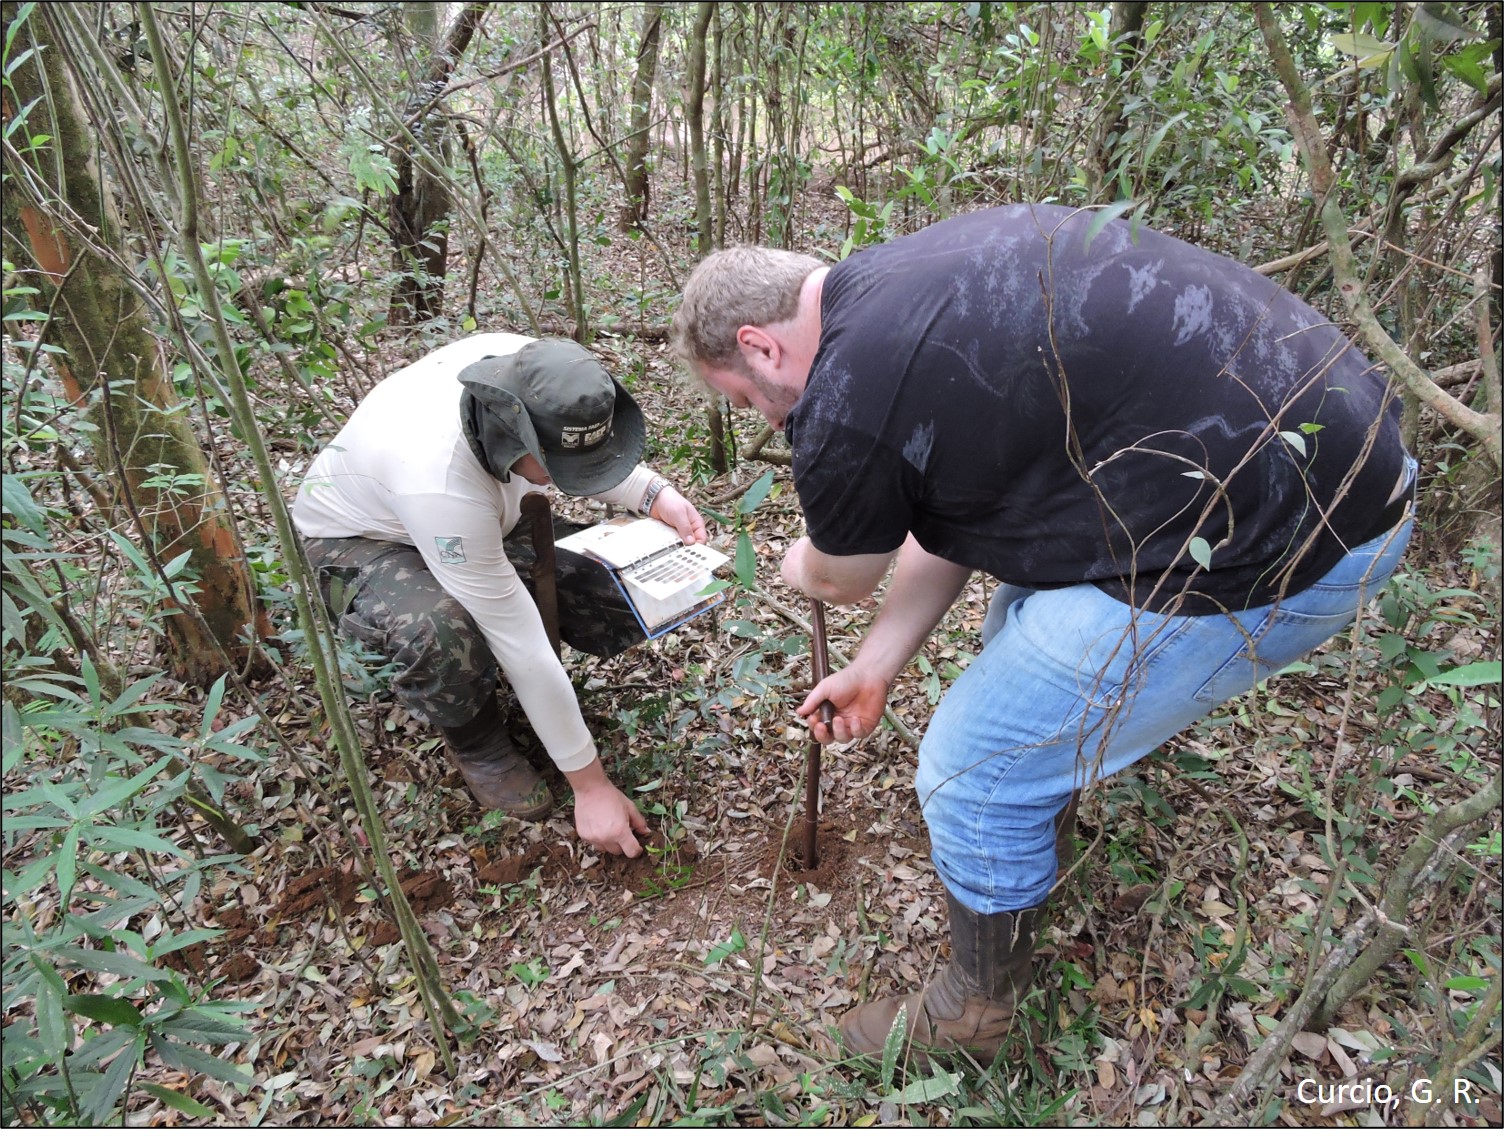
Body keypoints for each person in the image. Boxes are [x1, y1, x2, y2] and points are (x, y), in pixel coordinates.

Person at [669, 204, 1415, 1061]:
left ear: (760, 346)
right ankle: (1032, 830)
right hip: (1346, 459)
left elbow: (839, 577)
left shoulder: (843, 396)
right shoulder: (903, 281)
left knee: (971, 768)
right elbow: (949, 514)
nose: (767, 422)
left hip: (1290, 543)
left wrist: (798, 563)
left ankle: (976, 1017)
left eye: (743, 400)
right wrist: (877, 665)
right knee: (1013, 627)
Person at [293, 333, 707, 859]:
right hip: (365, 539)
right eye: (566, 474)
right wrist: (591, 787)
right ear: (516, 440)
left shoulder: (531, 369)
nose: (572, 482)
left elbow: (573, 450)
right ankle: (477, 737)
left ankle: (537, 707)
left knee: (614, 582)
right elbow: (522, 643)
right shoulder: (438, 480)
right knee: (443, 629)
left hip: (486, 511)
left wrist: (652, 494)